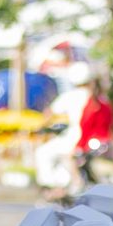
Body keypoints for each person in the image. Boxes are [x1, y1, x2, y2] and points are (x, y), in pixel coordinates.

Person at [34, 62, 92, 193]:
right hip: (95, 139)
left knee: (43, 152)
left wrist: (40, 126)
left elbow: (49, 114)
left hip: (76, 138)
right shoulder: (97, 97)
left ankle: (52, 188)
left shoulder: (70, 96)